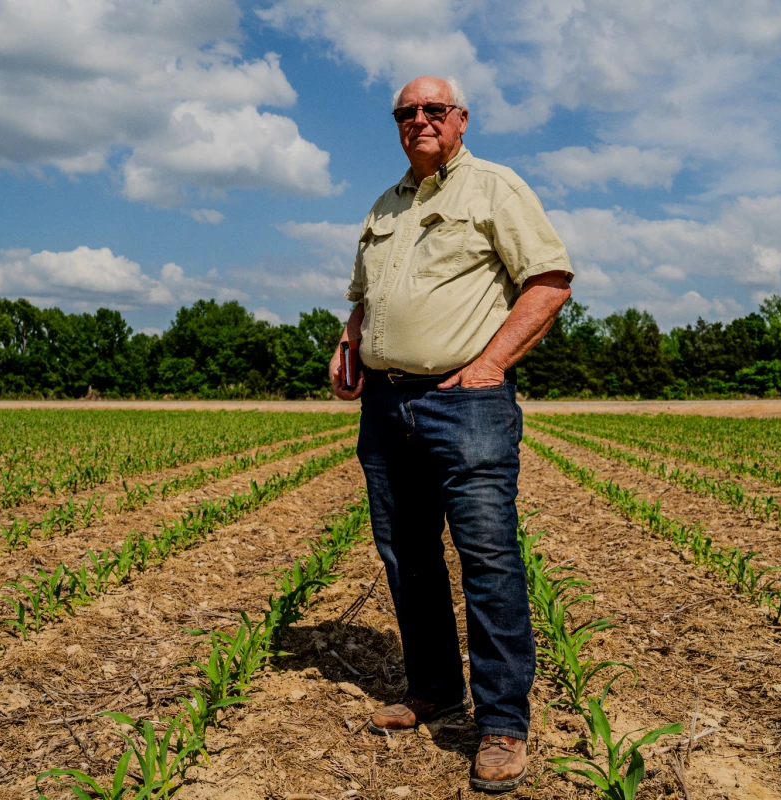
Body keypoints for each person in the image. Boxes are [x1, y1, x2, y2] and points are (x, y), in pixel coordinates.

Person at [329, 75, 573, 793]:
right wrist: (350, 350)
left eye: (435, 109)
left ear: (461, 119)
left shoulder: (495, 188)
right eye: (407, 112)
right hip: (386, 405)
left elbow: (550, 281)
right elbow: (363, 302)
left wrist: (490, 364)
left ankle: (501, 724)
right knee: (407, 555)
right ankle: (434, 687)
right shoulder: (385, 204)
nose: (420, 120)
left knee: (488, 558)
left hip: (463, 402)